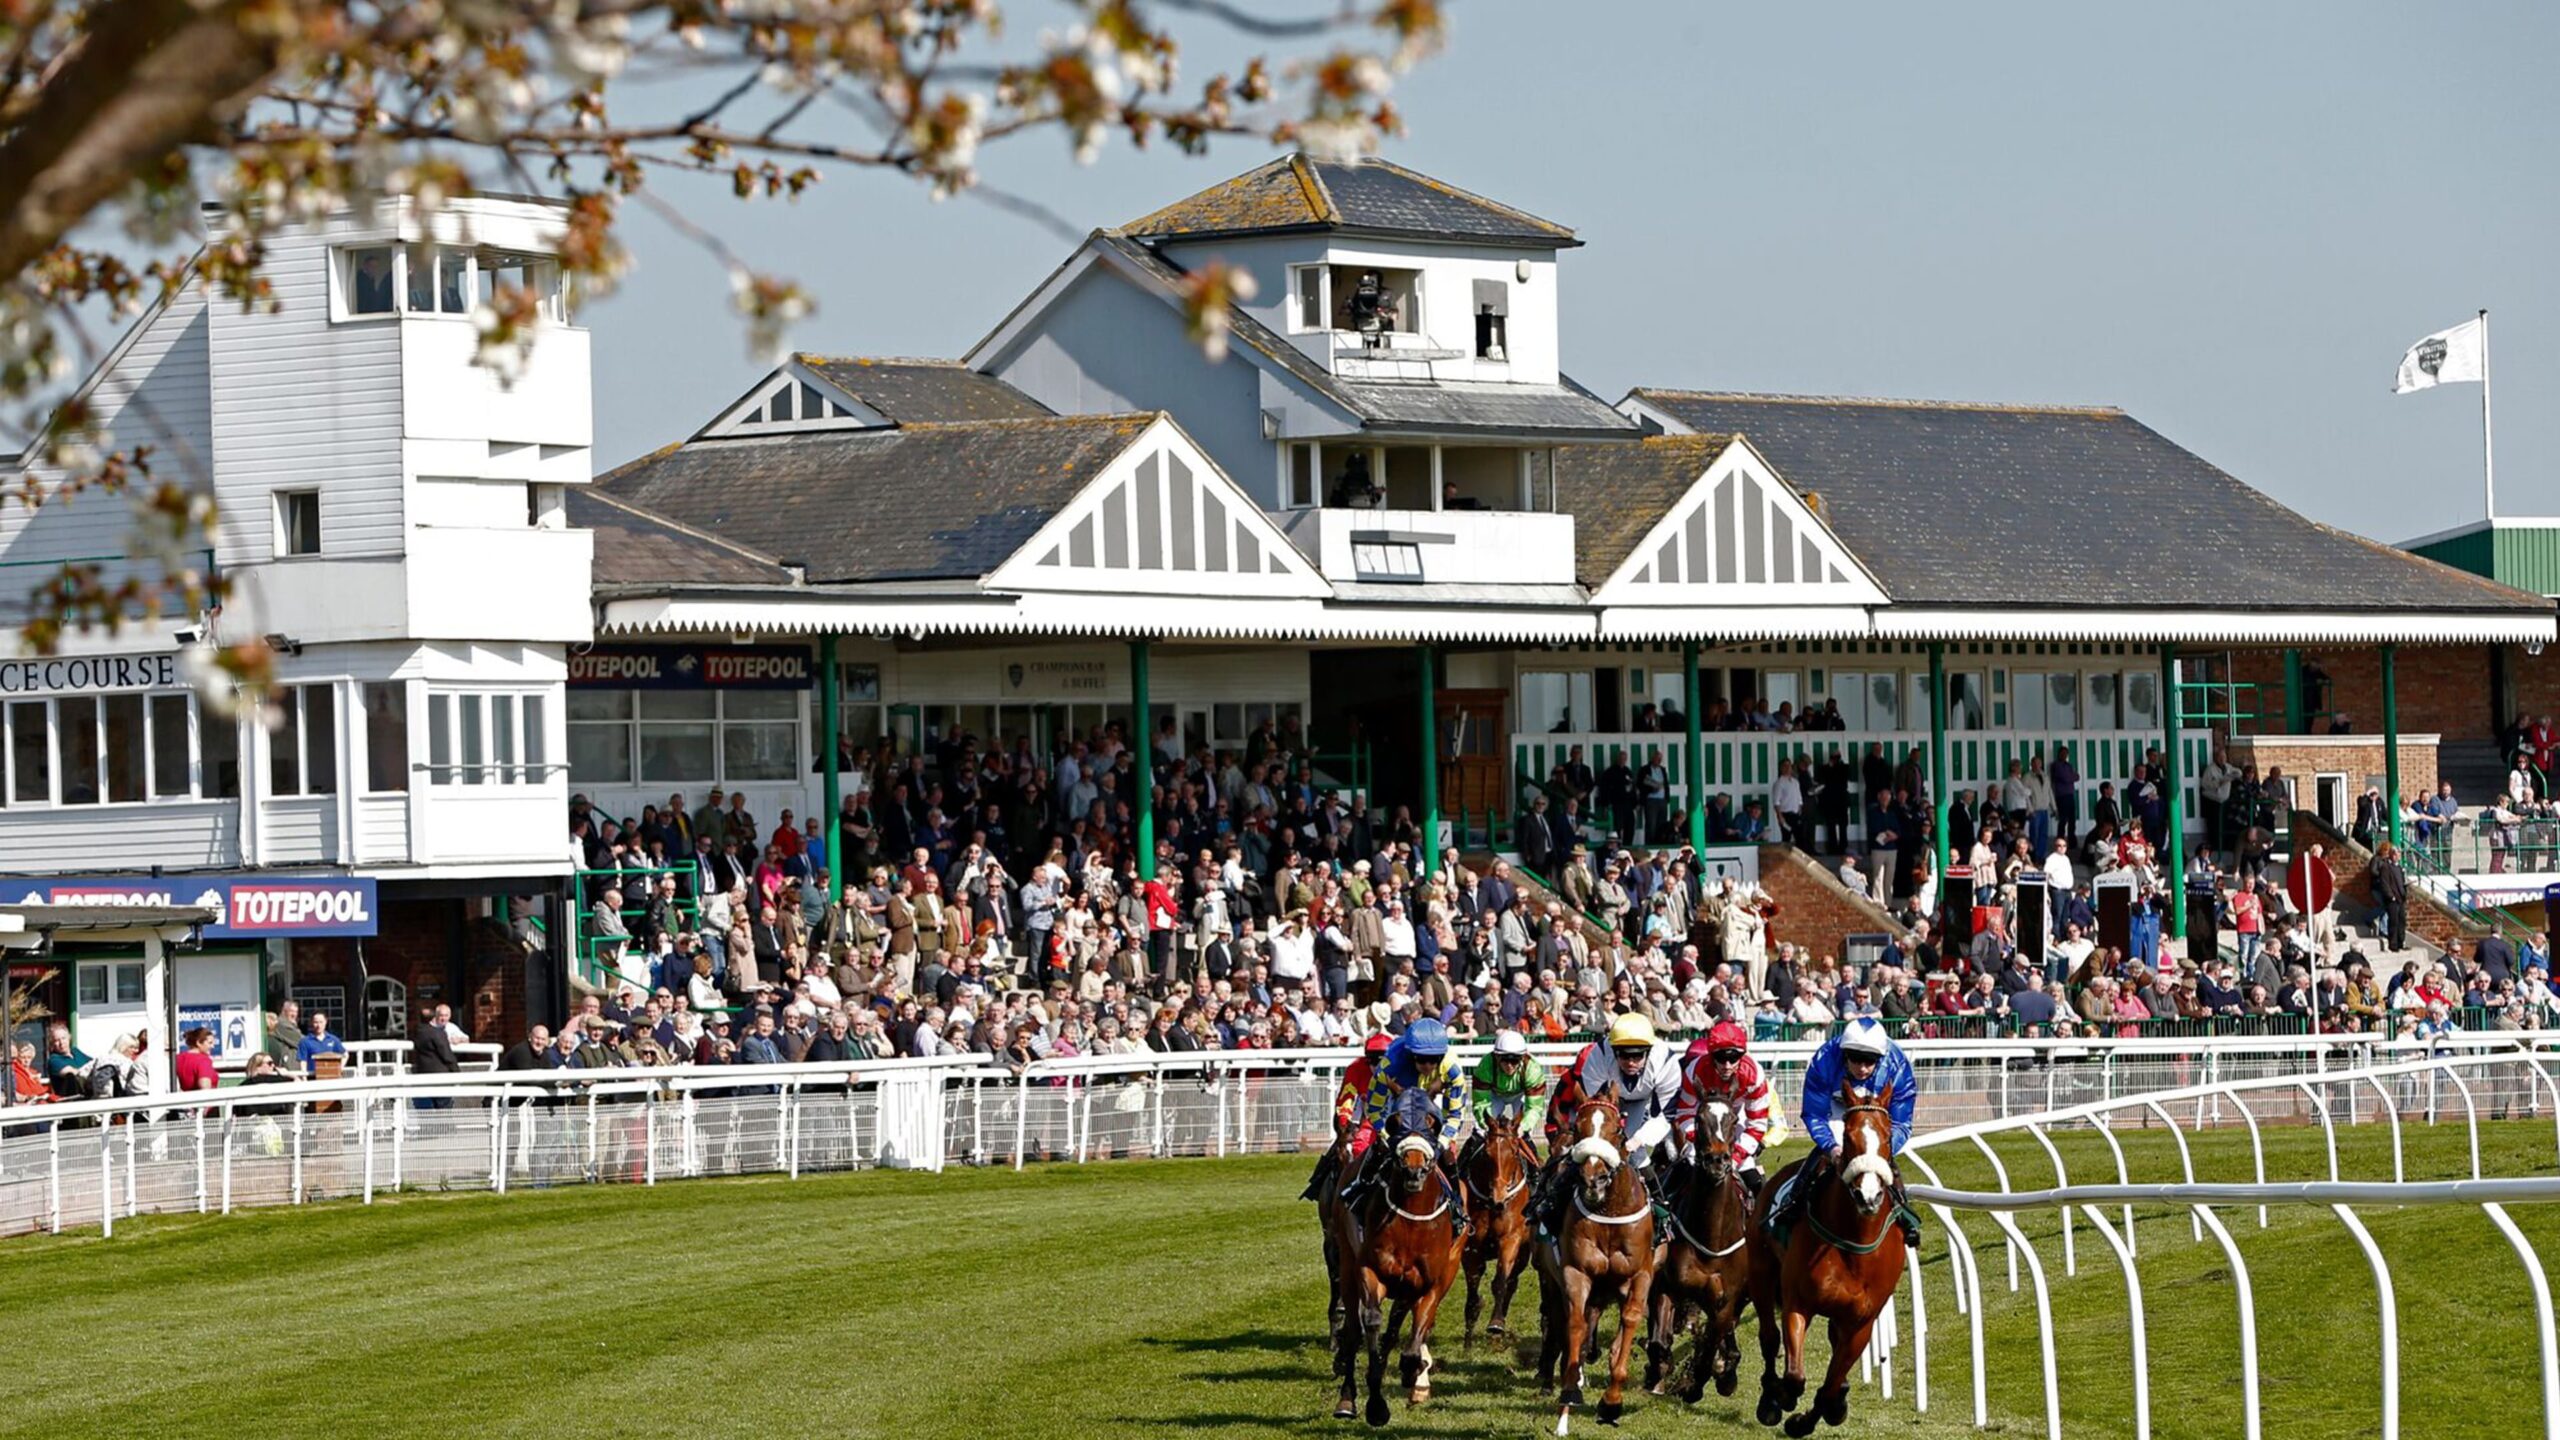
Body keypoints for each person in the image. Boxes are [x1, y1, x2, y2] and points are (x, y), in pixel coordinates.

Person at [1767, 1016, 1919, 1245]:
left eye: (1870, 1061)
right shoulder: (1825, 1060)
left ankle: (1906, 1216)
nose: (1863, 1068)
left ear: (1881, 1057)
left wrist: (1881, 1153)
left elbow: (1901, 1123)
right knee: (1826, 1152)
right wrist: (1832, 1148)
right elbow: (1814, 1114)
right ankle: (1792, 1203)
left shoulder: (1897, 1066)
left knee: (1880, 1155)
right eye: (1856, 1059)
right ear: (1844, 1053)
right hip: (1836, 1109)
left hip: (1877, 1115)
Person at [1533, 1012, 1682, 1232]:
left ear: (1649, 1051)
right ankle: (1552, 1202)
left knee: (1636, 1154)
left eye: (1638, 1056)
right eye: (1623, 1055)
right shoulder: (1598, 1056)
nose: (1631, 1062)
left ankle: (1661, 1210)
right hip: (1607, 1101)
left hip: (1645, 1101)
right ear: (1613, 1051)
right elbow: (1596, 1108)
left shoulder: (1666, 1062)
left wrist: (1636, 1141)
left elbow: (1665, 1116)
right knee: (1588, 1150)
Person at [1338, 1019, 1471, 1234]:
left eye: (1433, 1060)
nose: (1428, 1066)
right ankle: (1359, 1192)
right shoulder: (1390, 1066)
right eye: (1422, 1060)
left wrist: (1442, 1142)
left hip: (1431, 1107)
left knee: (1448, 1156)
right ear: (1411, 1054)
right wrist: (1386, 1137)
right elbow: (1374, 1109)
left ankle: (1456, 1207)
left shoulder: (1452, 1070)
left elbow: (1455, 1114)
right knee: (1378, 1152)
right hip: (1398, 1105)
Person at [1670, 1019, 1773, 1196]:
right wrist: (1699, 1141)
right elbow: (1685, 1113)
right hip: (1704, 1117)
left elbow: (1756, 1125)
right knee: (1686, 1165)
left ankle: (1761, 1218)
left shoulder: (1754, 1074)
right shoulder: (1695, 1071)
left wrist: (1736, 1157)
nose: (1727, 1066)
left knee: (1753, 1178)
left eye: (1733, 1059)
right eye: (1720, 1058)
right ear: (1711, 1055)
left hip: (1735, 1113)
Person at [1299, 1032, 1394, 1200]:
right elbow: (1346, 1100)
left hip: (1394, 1118)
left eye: (1380, 1064)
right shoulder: (1356, 1069)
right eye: (1372, 1063)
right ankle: (1321, 1185)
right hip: (1366, 1117)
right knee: (1346, 1147)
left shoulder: (1400, 1070)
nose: (1375, 1069)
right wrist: (1345, 1124)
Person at [175, 1027, 220, 1092]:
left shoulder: (178, 1058)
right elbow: (205, 1086)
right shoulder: (203, 1060)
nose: (213, 1046)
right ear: (198, 1042)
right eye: (210, 1043)